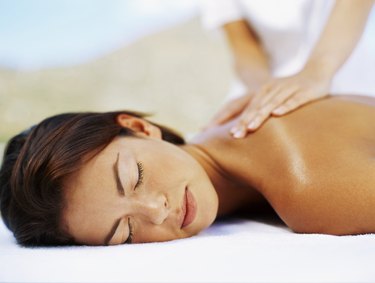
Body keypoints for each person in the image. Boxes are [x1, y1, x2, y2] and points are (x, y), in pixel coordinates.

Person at [1, 94, 375, 246]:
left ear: (140, 128)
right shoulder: (226, 131)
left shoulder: (309, 190)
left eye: (135, 178)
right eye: (125, 233)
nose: (156, 211)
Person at [200, 0, 374, 137]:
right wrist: (264, 94)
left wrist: (316, 71)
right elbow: (243, 44)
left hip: (343, 62)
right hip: (267, 80)